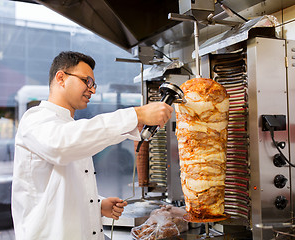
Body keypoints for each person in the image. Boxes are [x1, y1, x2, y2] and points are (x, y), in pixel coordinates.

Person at [11, 51, 174, 240]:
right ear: (61, 78)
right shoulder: (35, 119)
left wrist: (96, 204)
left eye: (93, 84)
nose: (92, 90)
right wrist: (135, 115)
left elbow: (60, 188)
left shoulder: (70, 128)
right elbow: (61, 146)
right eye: (87, 81)